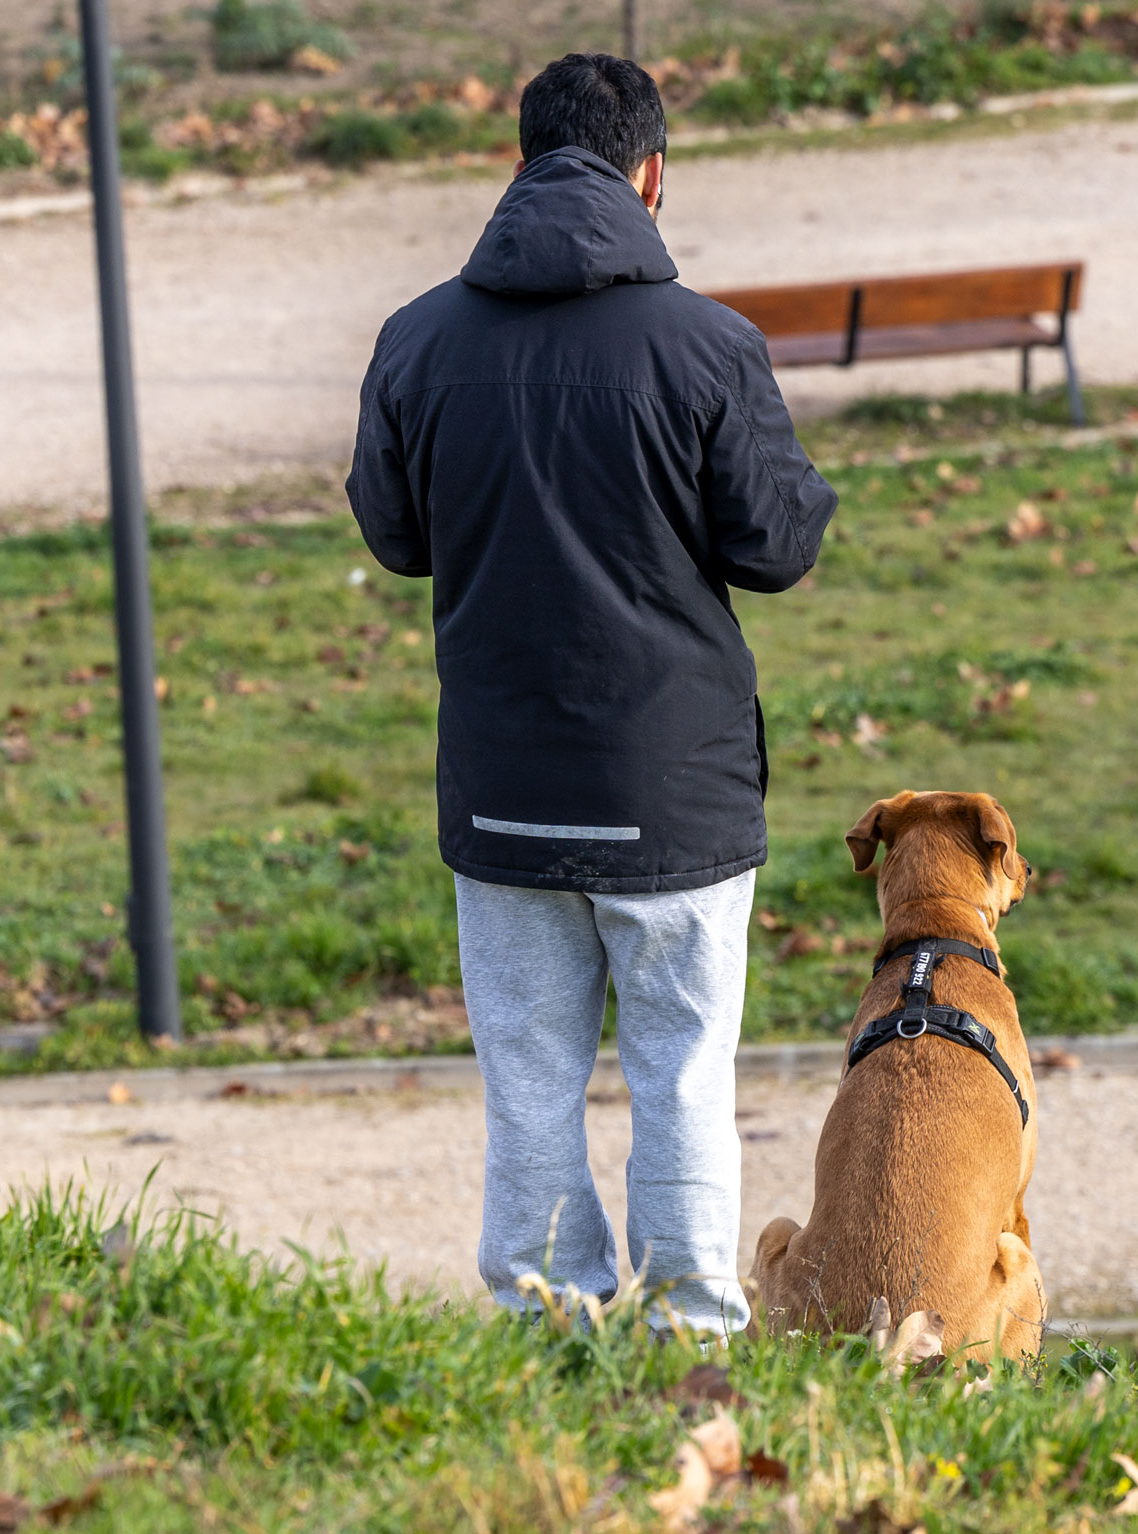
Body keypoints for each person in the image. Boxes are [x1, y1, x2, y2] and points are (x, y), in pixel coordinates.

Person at [345, 52, 837, 1335]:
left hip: (502, 788)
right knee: (683, 1073)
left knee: (526, 1075)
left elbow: (394, 537)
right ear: (652, 176)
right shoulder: (708, 346)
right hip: (672, 795)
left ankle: (544, 1316)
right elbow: (778, 549)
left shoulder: (416, 338)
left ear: (519, 165)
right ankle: (688, 1329)